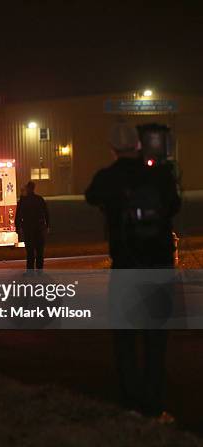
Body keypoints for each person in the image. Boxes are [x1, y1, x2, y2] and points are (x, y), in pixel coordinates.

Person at [85, 123, 180, 422]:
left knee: (125, 341)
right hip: (159, 267)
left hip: (125, 266)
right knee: (155, 342)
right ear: (139, 145)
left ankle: (130, 406)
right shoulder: (160, 174)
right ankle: (154, 407)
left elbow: (91, 197)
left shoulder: (107, 178)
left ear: (112, 147)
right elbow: (174, 205)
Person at [15, 180, 49, 271]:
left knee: (30, 252)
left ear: (28, 188)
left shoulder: (23, 201)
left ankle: (30, 271)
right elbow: (46, 213)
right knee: (39, 251)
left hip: (28, 229)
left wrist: (17, 228)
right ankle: (39, 270)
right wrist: (47, 226)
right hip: (39, 228)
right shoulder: (39, 199)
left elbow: (18, 215)